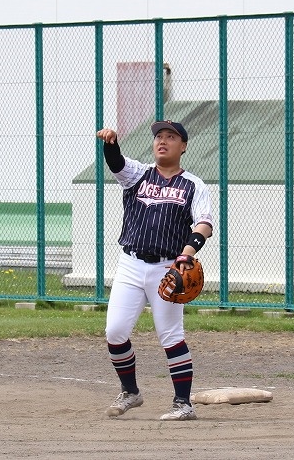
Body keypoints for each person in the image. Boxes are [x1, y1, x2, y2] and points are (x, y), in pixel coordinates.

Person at [96, 120, 214, 421]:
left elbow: (204, 224)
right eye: (159, 136)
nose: (162, 141)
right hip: (131, 264)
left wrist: (187, 253)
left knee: (171, 336)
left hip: (167, 268)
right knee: (115, 332)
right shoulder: (139, 174)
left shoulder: (193, 185)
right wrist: (111, 144)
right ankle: (131, 392)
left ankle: (183, 404)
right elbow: (116, 163)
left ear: (183, 146)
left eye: (171, 137)